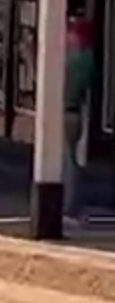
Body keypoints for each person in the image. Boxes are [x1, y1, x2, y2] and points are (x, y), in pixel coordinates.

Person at [64, 17, 95, 222]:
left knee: (67, 164)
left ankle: (69, 207)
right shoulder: (87, 58)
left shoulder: (74, 60)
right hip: (76, 113)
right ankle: (72, 206)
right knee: (72, 162)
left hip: (67, 113)